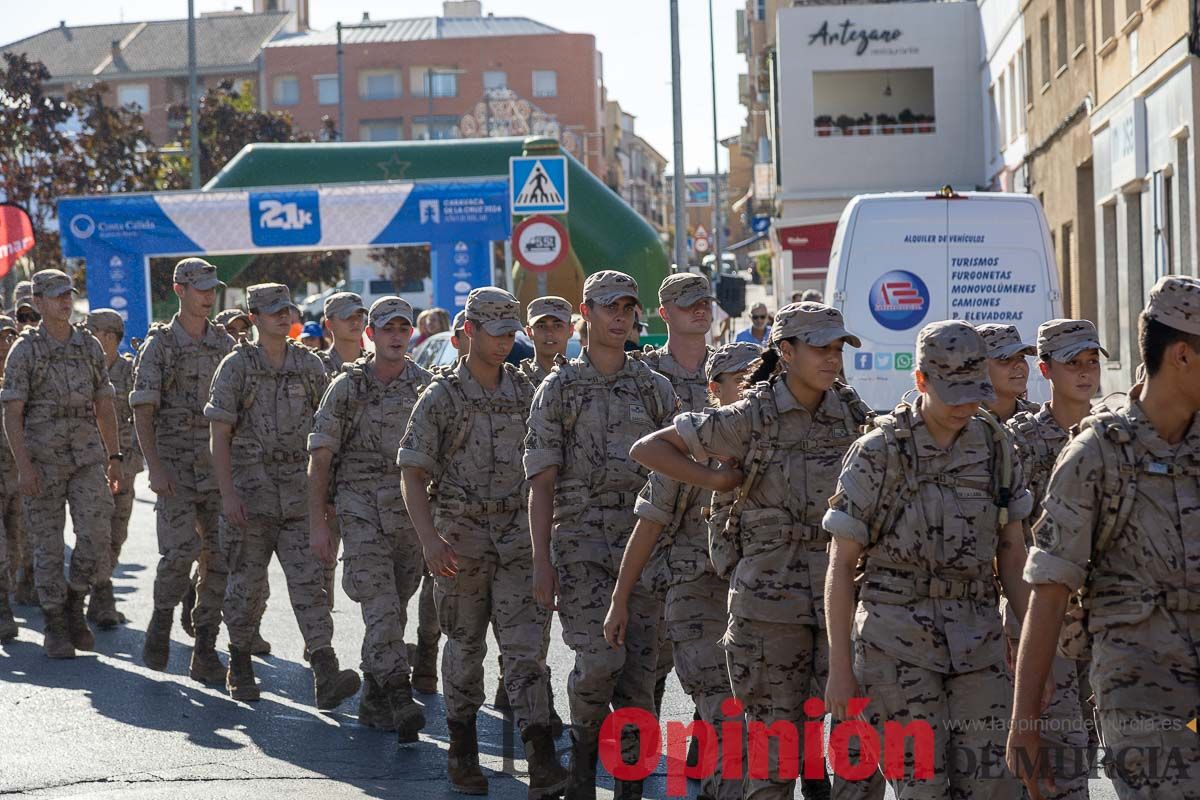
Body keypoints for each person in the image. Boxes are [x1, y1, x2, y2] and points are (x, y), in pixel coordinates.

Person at [632, 302, 873, 800]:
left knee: (859, 748)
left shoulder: (849, 414)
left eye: (837, 349)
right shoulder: (749, 417)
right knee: (771, 754)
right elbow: (649, 449)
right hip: (768, 607)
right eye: (820, 348)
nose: (832, 359)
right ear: (786, 352)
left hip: (838, 599)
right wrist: (716, 477)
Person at [823, 320, 1034, 799]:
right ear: (921, 381)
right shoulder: (878, 453)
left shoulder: (996, 447)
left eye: (973, 390)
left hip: (979, 643)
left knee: (993, 787)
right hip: (896, 645)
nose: (965, 404)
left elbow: (1012, 551)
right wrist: (839, 666)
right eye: (952, 392)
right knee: (922, 788)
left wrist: (1033, 645)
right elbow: (840, 566)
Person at [1008, 275, 1200, 799]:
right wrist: (1026, 720)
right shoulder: (1098, 453)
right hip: (1142, 692)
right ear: (1181, 355)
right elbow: (1049, 592)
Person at [399, 287, 569, 797]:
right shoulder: (441, 397)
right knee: (466, 645)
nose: (504, 344)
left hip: (518, 536)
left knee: (525, 651)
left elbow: (544, 471)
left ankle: (541, 759)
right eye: (494, 333)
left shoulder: (525, 391)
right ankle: (462, 749)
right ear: (468, 332)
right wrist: (428, 540)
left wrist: (545, 551)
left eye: (509, 334)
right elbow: (411, 472)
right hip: (461, 538)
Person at [525, 270, 677, 799]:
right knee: (598, 663)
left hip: (644, 547)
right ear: (585, 313)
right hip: (582, 546)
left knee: (639, 677)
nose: (620, 316)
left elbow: (675, 475)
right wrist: (541, 561)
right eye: (609, 306)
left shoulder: (654, 389)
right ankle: (585, 762)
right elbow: (541, 482)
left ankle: (630, 786)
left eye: (628, 307)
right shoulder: (560, 388)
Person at [605, 339, 762, 800]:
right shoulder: (689, 450)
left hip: (759, 602)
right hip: (696, 597)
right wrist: (619, 600)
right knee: (724, 709)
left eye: (763, 381)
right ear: (716, 388)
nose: (756, 392)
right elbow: (648, 525)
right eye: (745, 382)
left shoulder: (776, 445)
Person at [206, 282, 359, 707]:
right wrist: (228, 494)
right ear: (253, 317)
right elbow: (219, 437)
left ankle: (325, 671)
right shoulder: (236, 366)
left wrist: (326, 498)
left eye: (285, 309)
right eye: (272, 310)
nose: (281, 316)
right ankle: (240, 662)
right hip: (250, 499)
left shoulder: (309, 366)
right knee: (245, 587)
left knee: (311, 586)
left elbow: (327, 433)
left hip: (297, 495)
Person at [308, 296, 431, 744]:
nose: (396, 336)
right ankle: (400, 696)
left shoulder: (427, 387)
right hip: (359, 509)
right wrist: (319, 523)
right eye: (387, 328)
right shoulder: (347, 386)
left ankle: (373, 700)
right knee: (380, 605)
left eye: (403, 328)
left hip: (409, 515)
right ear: (371, 334)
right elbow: (321, 457)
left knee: (393, 610)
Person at [1002, 319, 1107, 800]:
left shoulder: (1114, 434)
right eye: (1072, 364)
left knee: (1092, 753)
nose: (1085, 374)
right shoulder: (1018, 440)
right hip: (1048, 617)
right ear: (1045, 369)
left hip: (1107, 616)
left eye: (1091, 362)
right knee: (1056, 764)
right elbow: (1005, 538)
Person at [1, 269, 123, 659]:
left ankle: (75, 599)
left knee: (96, 531)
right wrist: (24, 466)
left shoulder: (87, 345)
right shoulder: (25, 351)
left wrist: (115, 456)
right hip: (43, 458)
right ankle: (55, 621)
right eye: (55, 296)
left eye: (68, 294)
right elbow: (13, 414)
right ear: (38, 302)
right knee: (48, 544)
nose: (65, 301)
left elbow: (105, 402)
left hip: (87, 455)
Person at [132, 258, 237, 681]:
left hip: (216, 466)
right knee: (179, 554)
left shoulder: (224, 344)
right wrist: (153, 467)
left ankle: (205, 645)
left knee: (220, 557)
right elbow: (142, 411)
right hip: (174, 463)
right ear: (179, 290)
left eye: (213, 289)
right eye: (201, 289)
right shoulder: (160, 345)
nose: (209, 296)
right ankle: (160, 620)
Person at [628, 274, 714, 720]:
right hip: (656, 529)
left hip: (713, 533)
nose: (699, 310)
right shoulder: (642, 377)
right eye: (687, 305)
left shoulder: (734, 372)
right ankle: (646, 758)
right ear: (664, 314)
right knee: (650, 655)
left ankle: (705, 753)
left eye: (704, 302)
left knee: (715, 652)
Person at [84, 309, 143, 629]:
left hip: (125, 464)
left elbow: (144, 416)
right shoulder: (81, 369)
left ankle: (98, 594)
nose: (84, 332)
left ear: (108, 336)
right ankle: (101, 595)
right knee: (95, 531)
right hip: (87, 465)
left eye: (90, 328)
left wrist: (130, 455)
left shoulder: (130, 372)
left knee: (117, 533)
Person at [0, 315, 21, 641]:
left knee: (18, 543)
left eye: (9, 337)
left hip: (19, 472)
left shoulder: (22, 376)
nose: (5, 344)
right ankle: (2, 606)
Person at [977, 323, 1039, 422]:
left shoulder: (1036, 418)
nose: (1019, 364)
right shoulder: (961, 419)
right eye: (1005, 359)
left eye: (1021, 357)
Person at [519, 296, 573, 386]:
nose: (549, 333)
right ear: (529, 332)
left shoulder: (582, 379)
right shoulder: (518, 382)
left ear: (570, 330)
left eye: (557, 326)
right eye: (541, 326)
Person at [318, 292, 366, 375]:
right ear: (329, 324)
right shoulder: (318, 367)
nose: (355, 321)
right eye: (347, 316)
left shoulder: (375, 365)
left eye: (359, 315)